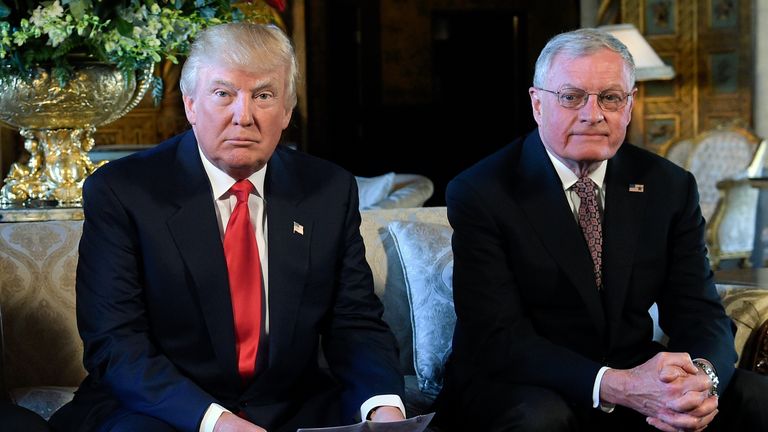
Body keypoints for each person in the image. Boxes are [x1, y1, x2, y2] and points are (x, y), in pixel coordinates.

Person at [48, 23, 405, 432]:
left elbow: (355, 322)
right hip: (160, 408)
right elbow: (115, 344)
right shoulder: (123, 191)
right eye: (223, 94)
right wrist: (218, 423)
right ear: (191, 105)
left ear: (287, 111)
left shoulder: (327, 189)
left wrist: (383, 408)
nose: (244, 116)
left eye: (264, 96)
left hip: (289, 406)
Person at [434, 28, 768, 432]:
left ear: (629, 107)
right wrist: (616, 385)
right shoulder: (482, 190)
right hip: (520, 378)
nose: (593, 114)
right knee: (542, 420)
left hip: (632, 370)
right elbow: (498, 337)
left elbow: (698, 310)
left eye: (610, 97)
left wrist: (700, 380)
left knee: (754, 397)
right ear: (538, 104)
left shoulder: (669, 186)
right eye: (572, 97)